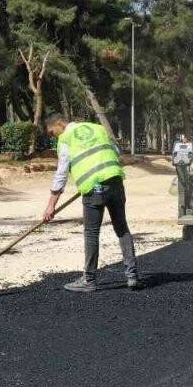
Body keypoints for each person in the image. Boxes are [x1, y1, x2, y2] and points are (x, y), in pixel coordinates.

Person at [42, 114, 141, 292]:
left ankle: (89, 279)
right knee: (122, 228)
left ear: (59, 124)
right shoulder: (97, 128)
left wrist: (51, 205)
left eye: (52, 132)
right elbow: (115, 153)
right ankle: (132, 276)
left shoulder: (66, 139)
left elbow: (61, 173)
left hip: (94, 189)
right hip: (115, 182)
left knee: (91, 233)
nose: (53, 136)